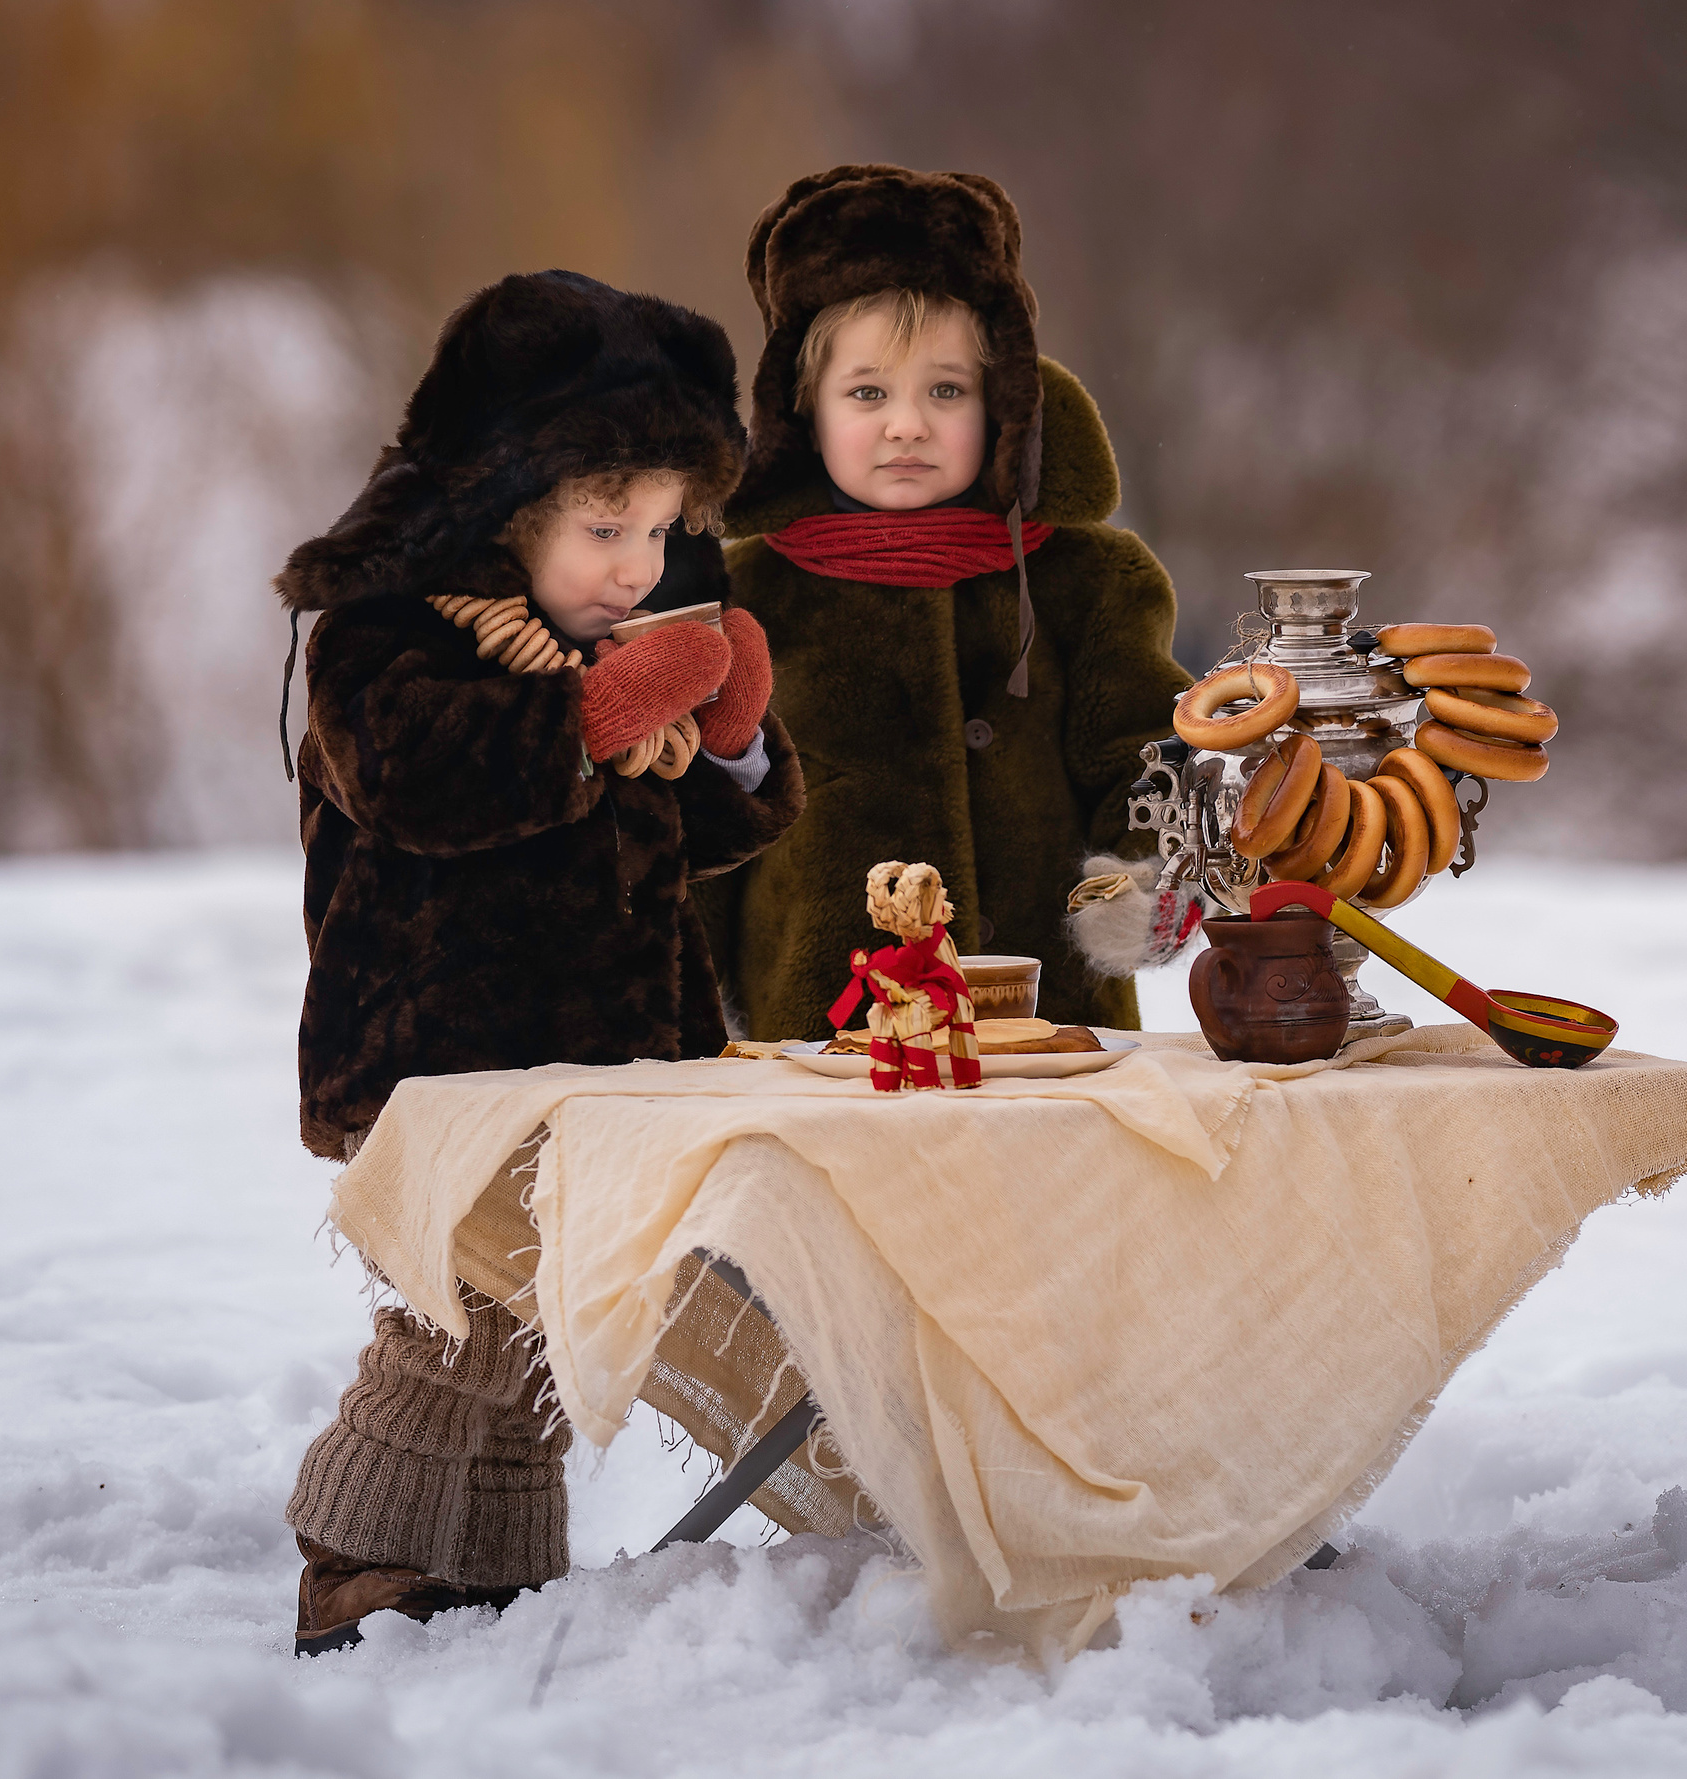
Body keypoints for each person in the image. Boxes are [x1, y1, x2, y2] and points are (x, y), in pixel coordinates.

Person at [271, 270, 802, 1655]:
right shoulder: (387, 635)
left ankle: (483, 1565)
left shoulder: (600, 648)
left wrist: (731, 736)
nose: (640, 561)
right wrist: (603, 706)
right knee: (462, 1314)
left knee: (532, 1327)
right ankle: (361, 1548)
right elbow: (414, 776)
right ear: (508, 509)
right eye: (604, 524)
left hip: (607, 1046)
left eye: (665, 527)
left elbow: (684, 832)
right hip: (437, 1049)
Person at [695, 165, 1190, 1040]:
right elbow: (701, 830)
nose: (907, 424)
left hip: (1054, 1045)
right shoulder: (741, 596)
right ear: (804, 408)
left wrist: (1143, 880)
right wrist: (685, 1000)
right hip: (816, 1050)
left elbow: (1145, 763)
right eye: (868, 392)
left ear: (1005, 403)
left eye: (946, 391)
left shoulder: (1089, 579)